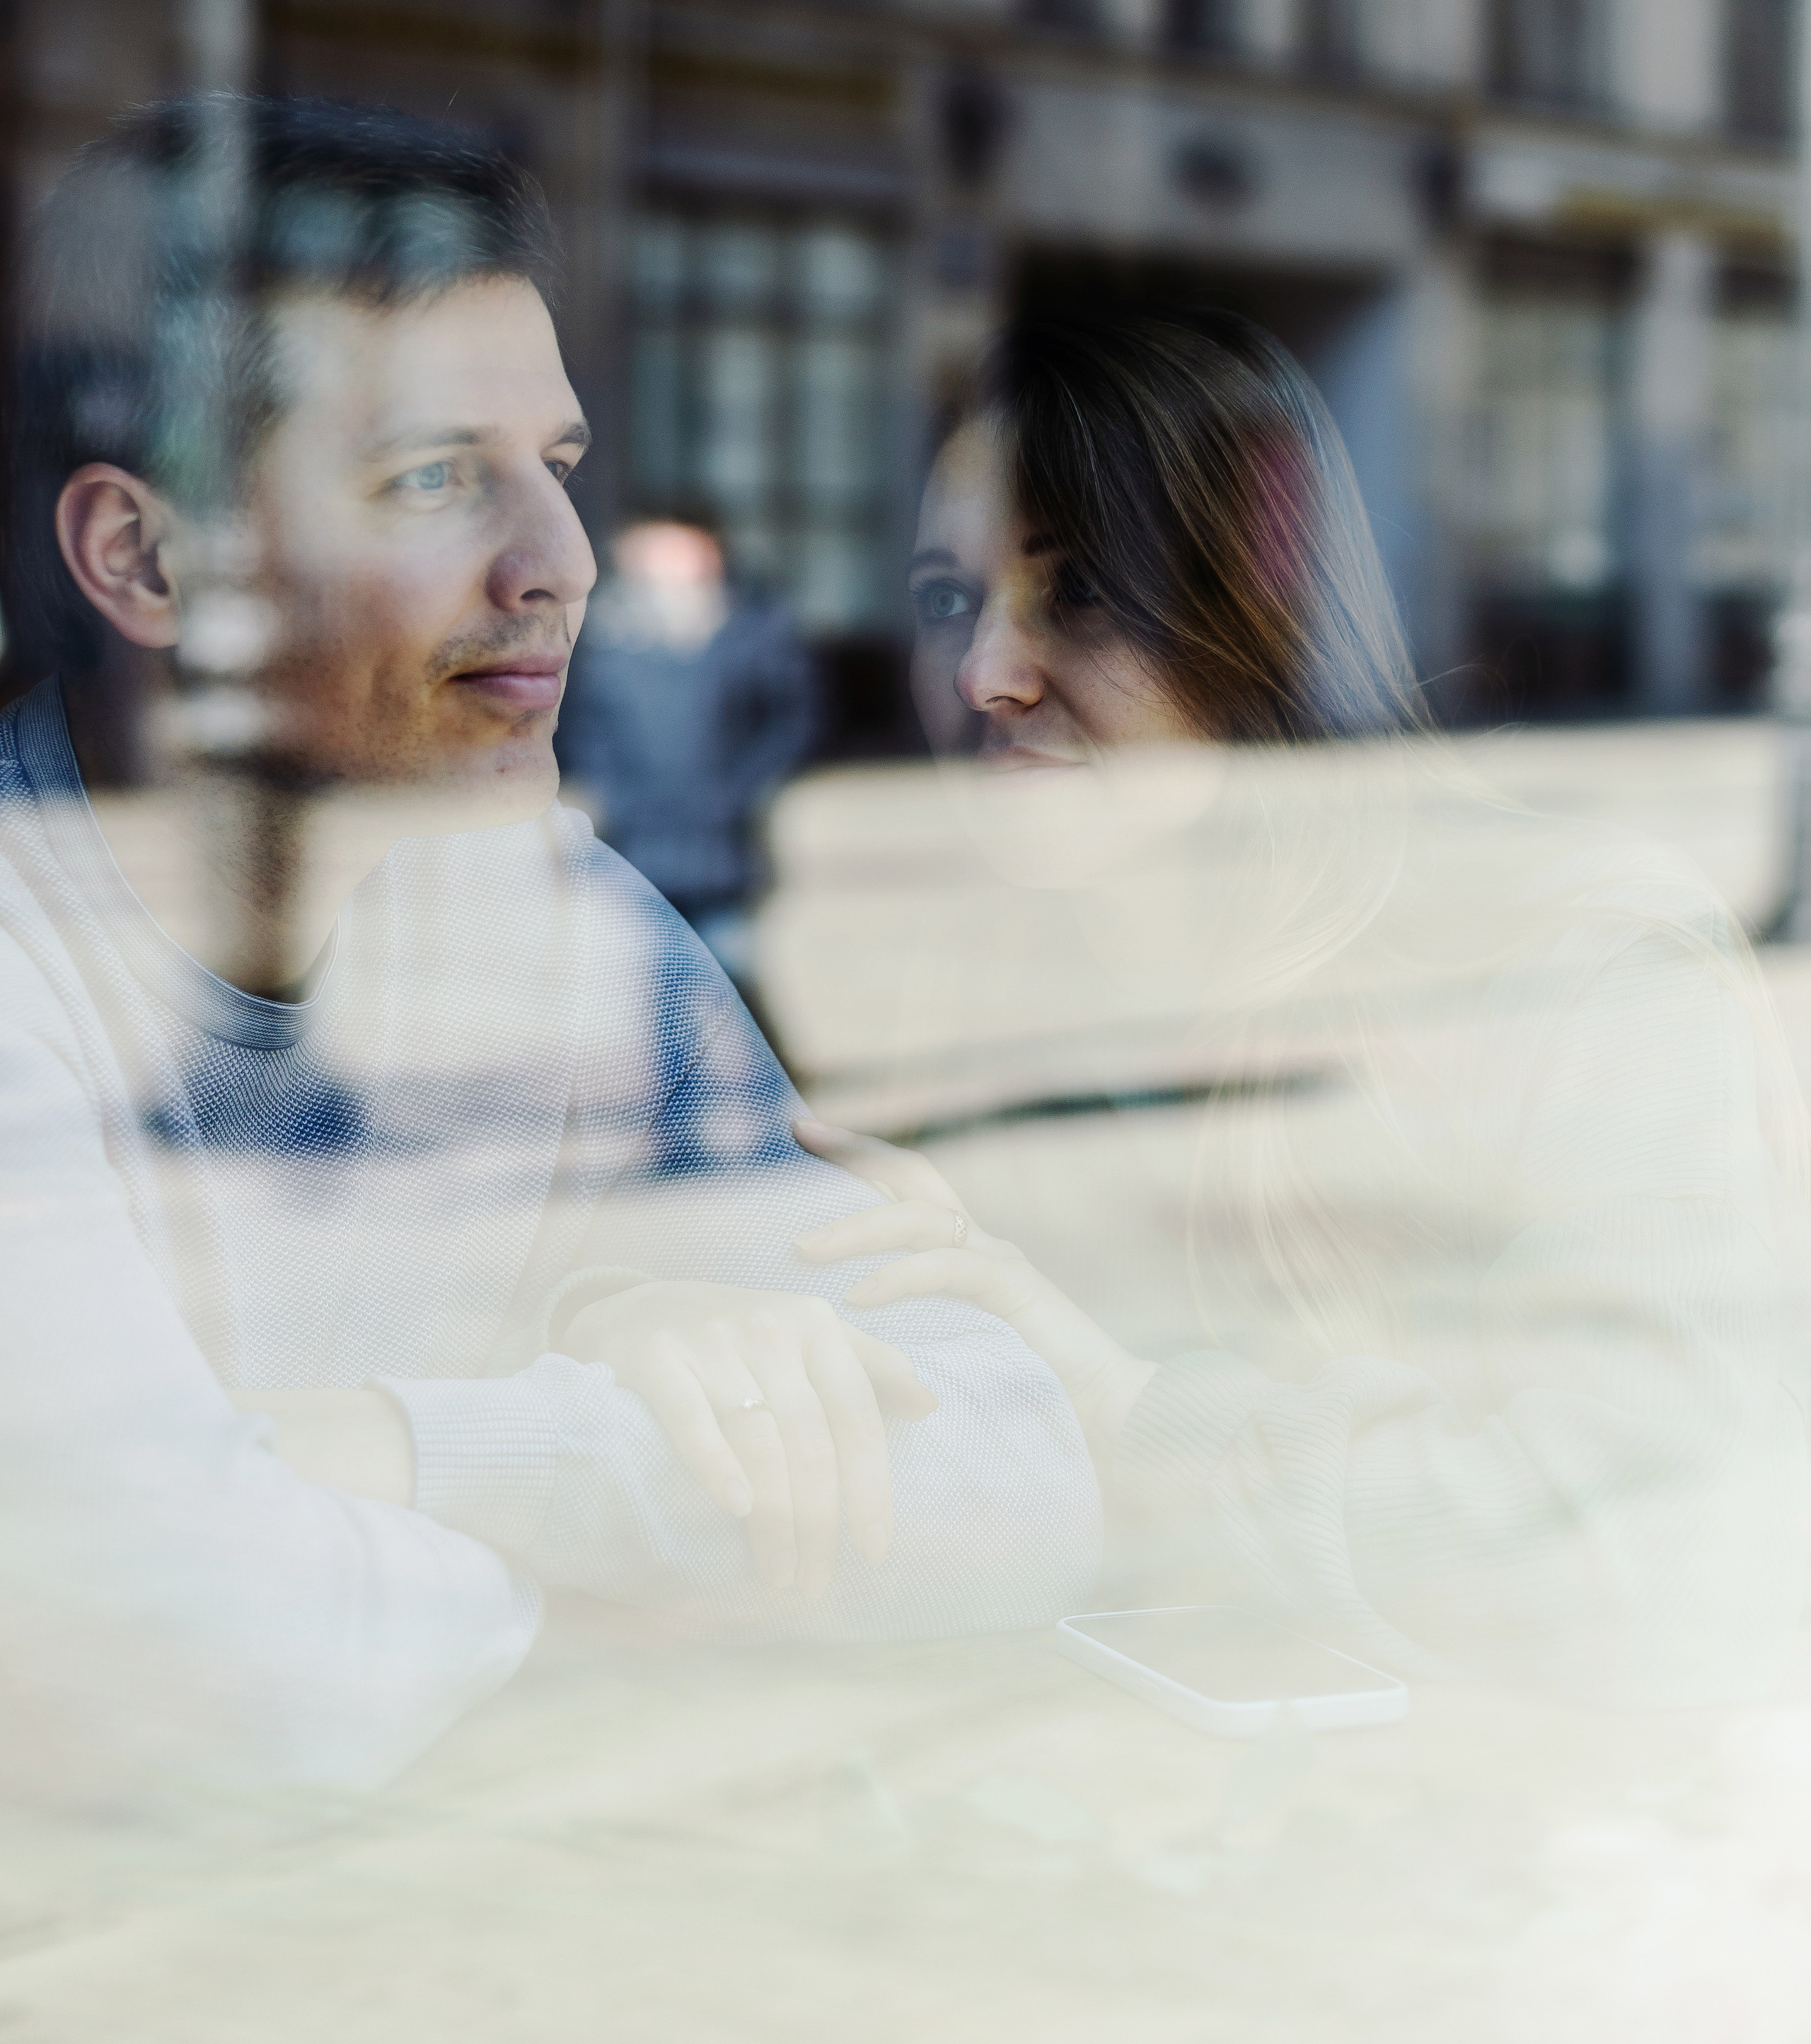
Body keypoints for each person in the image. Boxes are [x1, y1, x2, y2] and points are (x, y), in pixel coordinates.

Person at [0, 95, 1096, 1803]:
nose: (563, 565)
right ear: (146, 560)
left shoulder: (566, 920)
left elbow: (1019, 1473)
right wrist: (626, 1454)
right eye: (435, 479)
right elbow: (212, 1660)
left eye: (557, 473)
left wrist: (418, 1436)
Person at [794, 304, 1811, 1707]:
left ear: (1261, 612)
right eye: (943, 603)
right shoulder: (952, 998)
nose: (984, 675)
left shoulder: (1569, 965)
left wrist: (1130, 1412)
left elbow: (1628, 1553)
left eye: (1081, 593)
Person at [557, 511, 816, 992]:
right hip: (636, 840)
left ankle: (746, 1044)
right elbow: (581, 728)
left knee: (729, 974)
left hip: (724, 844)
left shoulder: (753, 627)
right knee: (659, 979)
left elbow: (791, 719)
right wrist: (611, 794)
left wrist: (743, 790)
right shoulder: (603, 638)